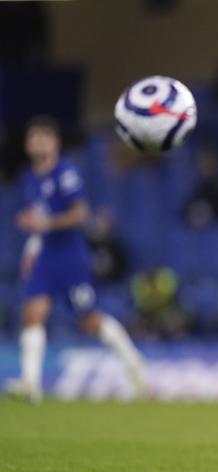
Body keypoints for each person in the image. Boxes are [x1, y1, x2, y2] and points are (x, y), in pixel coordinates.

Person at [6, 117, 146, 403]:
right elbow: (38, 218)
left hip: (71, 257)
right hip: (46, 256)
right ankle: (30, 384)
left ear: (55, 143)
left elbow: (80, 214)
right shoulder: (30, 177)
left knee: (90, 320)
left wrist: (47, 224)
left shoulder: (65, 172)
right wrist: (32, 248)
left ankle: (134, 365)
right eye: (33, 138)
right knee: (33, 314)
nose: (38, 143)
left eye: (44, 137)